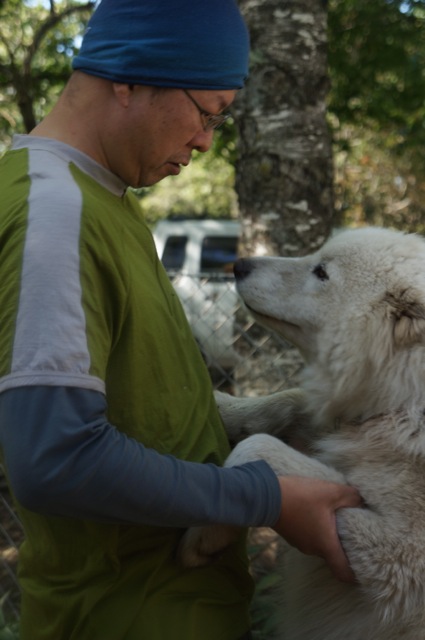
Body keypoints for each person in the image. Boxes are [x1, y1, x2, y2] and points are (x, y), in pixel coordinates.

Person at [0, 1, 361, 639]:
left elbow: (150, 407)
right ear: (129, 78)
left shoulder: (102, 196)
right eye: (208, 113)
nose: (204, 142)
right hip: (125, 616)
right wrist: (267, 496)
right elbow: (53, 457)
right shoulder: (54, 213)